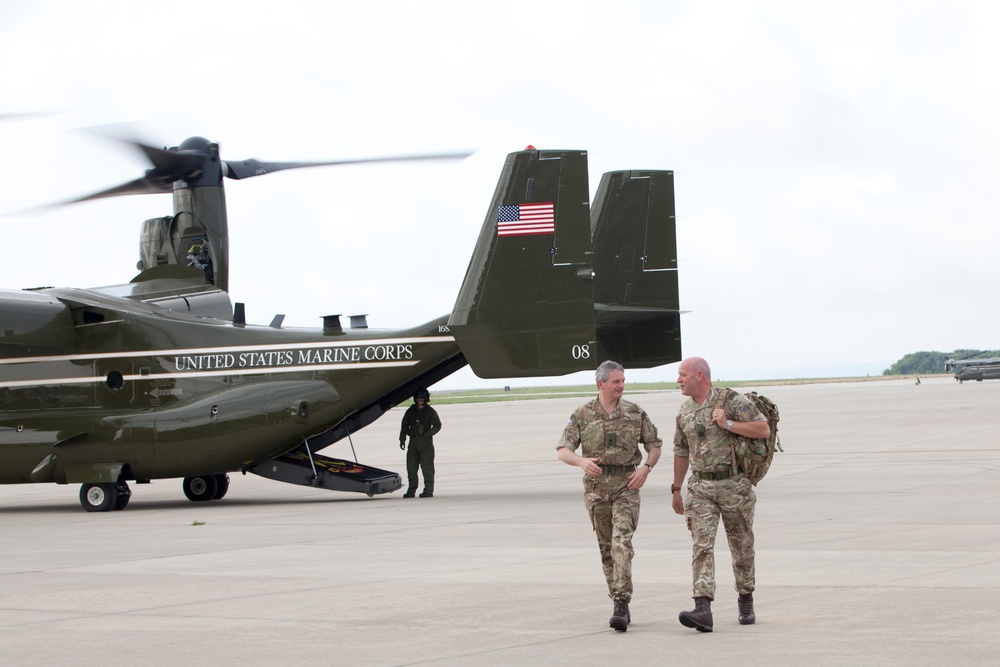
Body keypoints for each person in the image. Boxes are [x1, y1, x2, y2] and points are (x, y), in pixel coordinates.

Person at [557, 360, 662, 632]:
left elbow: (654, 445)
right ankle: (616, 597)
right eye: (616, 382)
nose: (621, 386)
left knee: (621, 542)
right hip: (596, 489)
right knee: (606, 548)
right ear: (600, 384)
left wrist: (646, 469)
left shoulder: (635, 412)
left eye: (623, 381)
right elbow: (563, 450)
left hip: (627, 485)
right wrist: (581, 462)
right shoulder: (582, 414)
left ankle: (622, 603)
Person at [672, 356, 770, 632]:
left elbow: (762, 429)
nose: (678, 380)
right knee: (701, 546)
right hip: (701, 487)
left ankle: (745, 598)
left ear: (699, 375)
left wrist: (728, 424)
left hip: (734, 485)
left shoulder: (731, 401)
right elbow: (681, 451)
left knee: (741, 546)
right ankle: (702, 607)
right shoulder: (683, 413)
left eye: (683, 375)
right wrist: (676, 488)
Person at [399, 388, 441, 498]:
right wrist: (402, 438)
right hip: (413, 443)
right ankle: (411, 490)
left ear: (426, 398)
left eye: (422, 398)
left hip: (425, 443)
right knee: (411, 468)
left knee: (427, 469)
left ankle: (428, 490)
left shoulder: (430, 411)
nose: (420, 400)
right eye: (418, 398)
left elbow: (437, 425)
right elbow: (404, 425)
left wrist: (429, 433)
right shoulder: (411, 410)